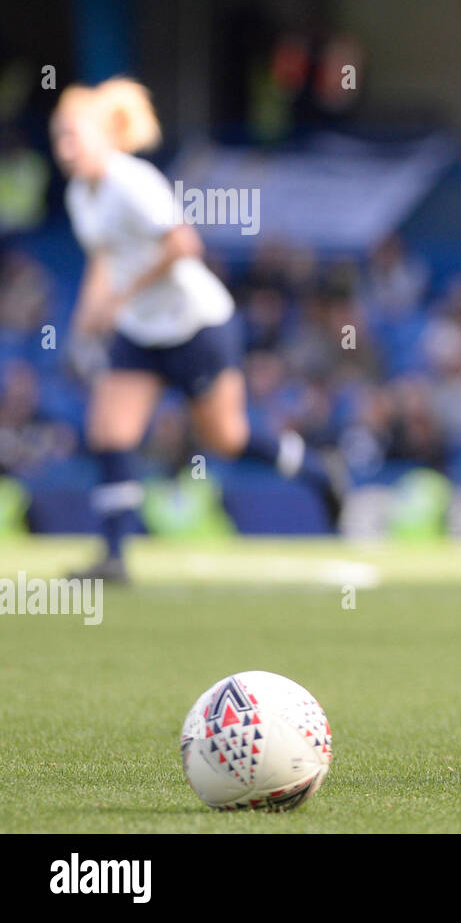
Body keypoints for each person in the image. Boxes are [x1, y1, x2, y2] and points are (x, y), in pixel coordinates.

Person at [52, 78, 347, 582]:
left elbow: (183, 245)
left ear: (104, 136)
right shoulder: (82, 194)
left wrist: (122, 297)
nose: (65, 149)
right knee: (109, 431)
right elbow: (103, 258)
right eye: (59, 137)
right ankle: (115, 556)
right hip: (140, 332)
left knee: (227, 438)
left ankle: (319, 471)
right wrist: (85, 322)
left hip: (196, 323)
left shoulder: (133, 181)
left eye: (74, 136)